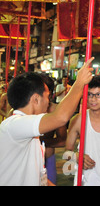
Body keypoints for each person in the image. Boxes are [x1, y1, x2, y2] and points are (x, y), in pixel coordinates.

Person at [0, 58, 94, 186]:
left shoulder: (32, 135)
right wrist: (79, 83)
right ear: (36, 99)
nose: (48, 102)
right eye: (47, 96)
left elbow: (41, 179)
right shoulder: (14, 125)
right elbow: (60, 117)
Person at [39, 73, 67, 185]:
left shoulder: (56, 111)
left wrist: (40, 141)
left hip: (48, 157)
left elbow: (62, 141)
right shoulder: (22, 110)